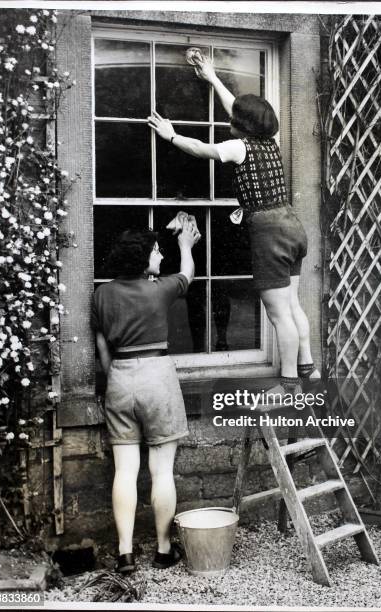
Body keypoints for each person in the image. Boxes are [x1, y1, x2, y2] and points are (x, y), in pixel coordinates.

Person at [147, 55, 320, 394]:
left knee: (277, 313)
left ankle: (287, 384)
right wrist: (212, 77)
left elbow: (199, 149)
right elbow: (237, 109)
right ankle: (307, 370)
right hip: (291, 224)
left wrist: (170, 135)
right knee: (293, 305)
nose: (232, 116)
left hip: (269, 231)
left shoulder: (237, 147)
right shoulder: (268, 141)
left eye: (236, 117)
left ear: (243, 124)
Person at [91, 219, 200, 574]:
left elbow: (102, 349)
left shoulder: (101, 294)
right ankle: (164, 550)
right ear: (142, 259)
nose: (161, 254)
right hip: (157, 377)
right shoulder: (159, 290)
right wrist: (185, 245)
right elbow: (187, 274)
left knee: (124, 472)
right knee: (162, 471)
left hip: (120, 379)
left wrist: (118, 378)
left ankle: (124, 554)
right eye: (156, 250)